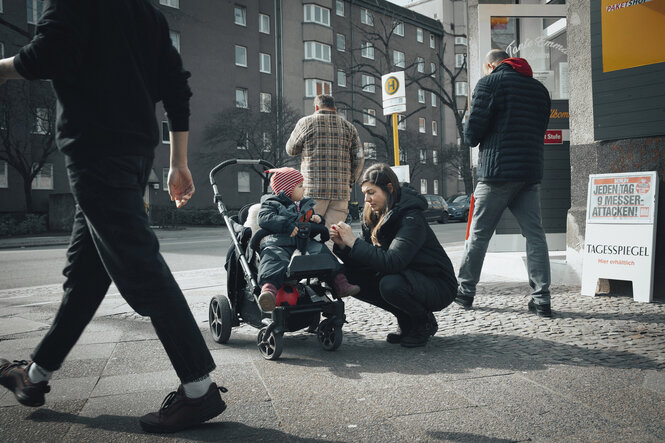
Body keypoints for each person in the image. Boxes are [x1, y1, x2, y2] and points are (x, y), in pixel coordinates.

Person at [0, 0, 226, 433]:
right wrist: (178, 161)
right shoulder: (145, 12)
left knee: (143, 271)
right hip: (135, 155)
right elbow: (177, 86)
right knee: (84, 277)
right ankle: (33, 377)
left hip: (95, 154)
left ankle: (199, 391)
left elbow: (45, 56)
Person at [454, 49, 553, 317]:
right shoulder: (540, 90)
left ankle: (464, 292)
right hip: (529, 172)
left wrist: (468, 116)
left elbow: (472, 134)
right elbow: (538, 130)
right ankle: (542, 298)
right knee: (535, 234)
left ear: (490, 65)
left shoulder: (489, 83)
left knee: (479, 234)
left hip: (496, 173)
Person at [330, 163, 457, 348]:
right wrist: (344, 246)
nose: (367, 199)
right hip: (407, 276)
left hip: (437, 284)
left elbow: (393, 262)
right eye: (365, 193)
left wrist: (353, 243)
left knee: (390, 284)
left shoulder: (411, 218)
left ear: (389, 189)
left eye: (371, 193)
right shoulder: (372, 215)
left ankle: (424, 322)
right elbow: (368, 259)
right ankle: (406, 319)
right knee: (349, 277)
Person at [257, 167, 360, 311]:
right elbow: (264, 218)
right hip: (279, 241)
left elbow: (310, 219)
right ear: (286, 189)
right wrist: (286, 225)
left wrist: (318, 220)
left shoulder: (304, 204)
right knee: (274, 258)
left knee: (322, 252)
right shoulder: (271, 203)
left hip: (303, 241)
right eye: (300, 186)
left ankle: (340, 282)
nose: (304, 189)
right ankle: (269, 291)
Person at [286, 94, 364, 235]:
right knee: (330, 237)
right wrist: (350, 181)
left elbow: (290, 150)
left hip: (313, 191)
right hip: (341, 192)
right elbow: (359, 158)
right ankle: (328, 256)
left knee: (308, 234)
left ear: (316, 107)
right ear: (335, 109)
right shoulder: (349, 127)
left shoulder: (305, 123)